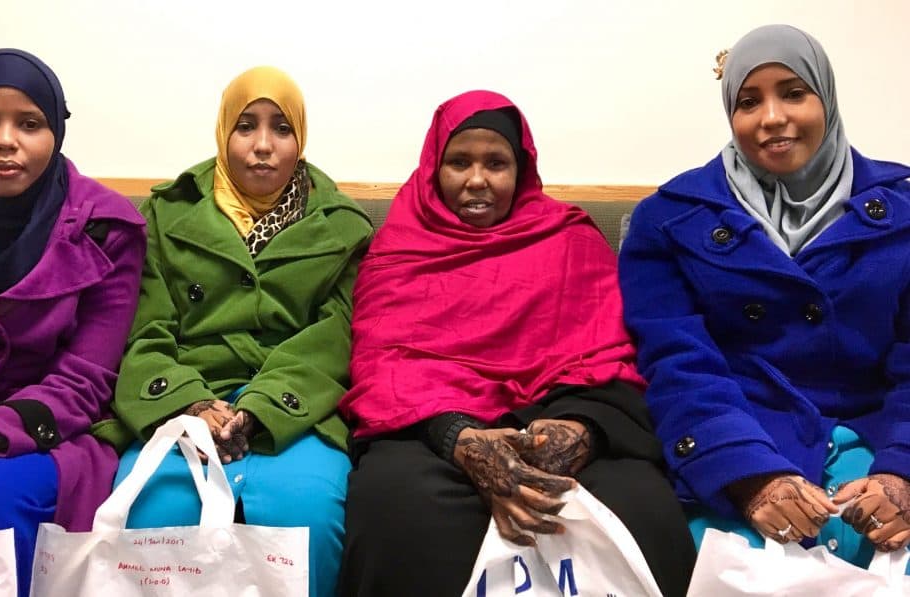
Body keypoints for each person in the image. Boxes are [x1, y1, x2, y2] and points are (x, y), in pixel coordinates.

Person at [337, 90, 696, 597]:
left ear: (521, 170)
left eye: (496, 163)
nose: (477, 180)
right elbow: (382, 367)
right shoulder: (400, 246)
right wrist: (459, 440)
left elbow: (614, 357)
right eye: (459, 162)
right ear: (433, 168)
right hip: (434, 430)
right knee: (394, 510)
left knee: (644, 510)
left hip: (562, 417)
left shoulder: (570, 238)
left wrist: (580, 430)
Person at [619, 24, 910, 570]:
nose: (772, 118)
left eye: (793, 93)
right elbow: (678, 364)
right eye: (749, 102)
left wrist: (901, 474)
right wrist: (748, 475)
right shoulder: (668, 220)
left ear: (826, 97)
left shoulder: (903, 210)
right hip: (741, 441)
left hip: (879, 439)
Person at [98, 66, 373, 597]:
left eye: (281, 129)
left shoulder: (343, 225)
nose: (263, 146)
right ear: (224, 132)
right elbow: (143, 330)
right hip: (180, 404)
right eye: (246, 126)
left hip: (295, 410)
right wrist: (193, 404)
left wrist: (260, 409)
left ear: (302, 138)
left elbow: (336, 338)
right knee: (158, 510)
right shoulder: (165, 214)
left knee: (306, 515)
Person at [0, 48, 146, 595]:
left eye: (30, 123)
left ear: (57, 132)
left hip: (51, 435)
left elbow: (83, 384)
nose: (6, 141)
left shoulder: (108, 228)